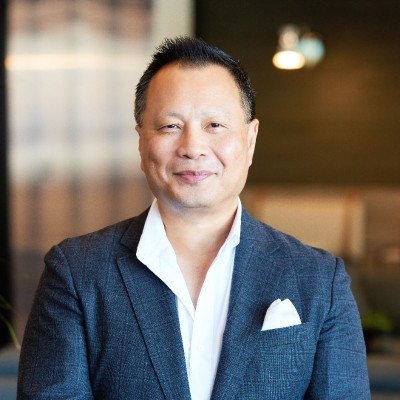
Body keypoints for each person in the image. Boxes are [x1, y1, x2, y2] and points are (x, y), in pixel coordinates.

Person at [17, 36, 370, 399]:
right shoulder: (76, 272)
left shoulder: (319, 280)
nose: (192, 148)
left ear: (250, 140)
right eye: (170, 126)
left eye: (215, 125)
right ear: (141, 142)